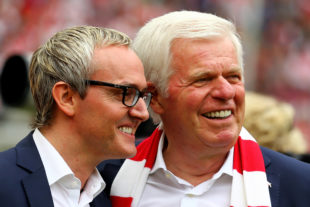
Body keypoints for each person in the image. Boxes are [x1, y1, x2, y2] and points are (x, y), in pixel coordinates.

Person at [99, 11, 310, 207]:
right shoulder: (101, 181)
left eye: (233, 77)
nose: (226, 92)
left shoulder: (301, 186)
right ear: (155, 97)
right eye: (203, 79)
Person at [0, 25, 151, 207]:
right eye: (126, 93)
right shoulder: (5, 182)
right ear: (67, 97)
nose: (143, 113)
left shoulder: (112, 191)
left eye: (143, 96)